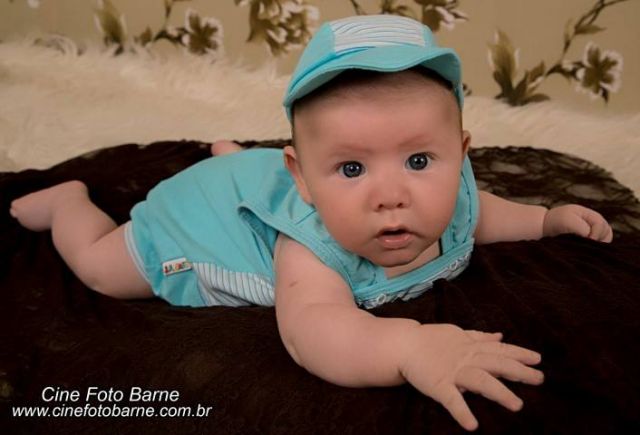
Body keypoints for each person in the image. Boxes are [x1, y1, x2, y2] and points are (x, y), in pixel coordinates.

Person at [10, 14, 612, 431]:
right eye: (351, 168)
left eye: (419, 161)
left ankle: (236, 159)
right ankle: (68, 205)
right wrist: (409, 346)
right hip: (194, 225)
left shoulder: (453, 194)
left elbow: (482, 214)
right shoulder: (310, 248)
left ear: (460, 153)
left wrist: (545, 220)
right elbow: (314, 332)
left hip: (261, 175)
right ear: (302, 179)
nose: (391, 196)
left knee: (263, 170)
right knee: (100, 268)